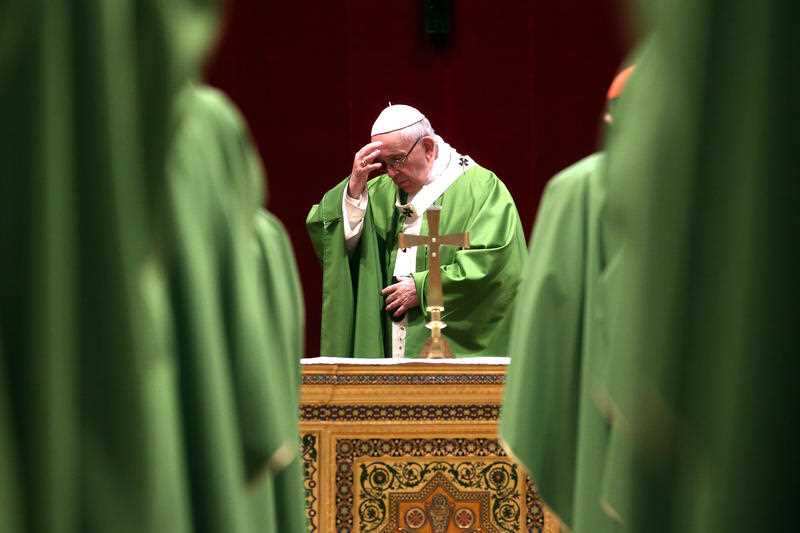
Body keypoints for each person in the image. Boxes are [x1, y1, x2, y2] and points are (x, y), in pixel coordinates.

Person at [499, 66, 634, 533]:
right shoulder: (739, 188)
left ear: (609, 117)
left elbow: (542, 327)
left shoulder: (572, 190)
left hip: (602, 432)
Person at [307, 105, 527, 358]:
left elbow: (494, 262)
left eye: (397, 160)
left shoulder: (481, 189)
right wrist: (353, 191)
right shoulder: (379, 192)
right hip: (392, 342)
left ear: (428, 148)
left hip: (453, 347)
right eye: (384, 163)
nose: (391, 172)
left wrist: (423, 287)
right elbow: (327, 236)